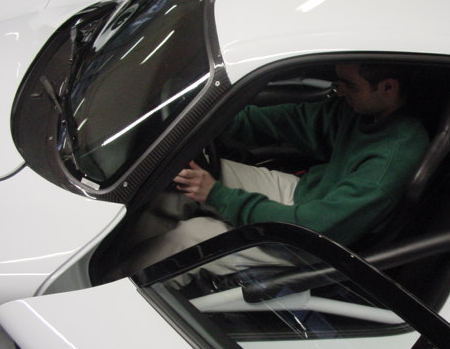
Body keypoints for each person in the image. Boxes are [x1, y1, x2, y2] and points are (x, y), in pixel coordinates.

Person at [121, 63, 429, 275]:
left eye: (349, 85)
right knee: (178, 176)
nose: (339, 91)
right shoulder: (363, 112)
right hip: (308, 195)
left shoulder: (391, 159)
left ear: (387, 87)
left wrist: (218, 196)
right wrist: (214, 118)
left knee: (186, 239)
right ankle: (118, 246)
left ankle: (117, 283)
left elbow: (313, 229)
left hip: (314, 240)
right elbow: (287, 120)